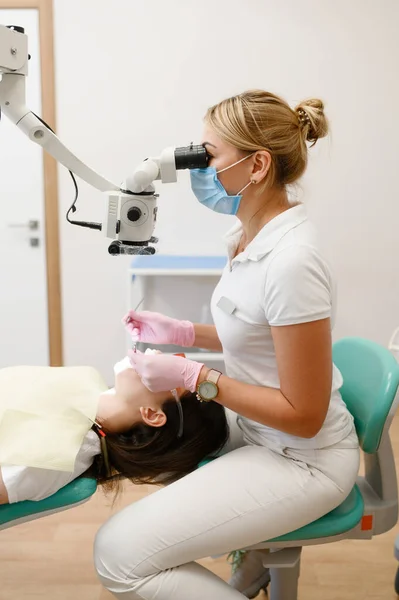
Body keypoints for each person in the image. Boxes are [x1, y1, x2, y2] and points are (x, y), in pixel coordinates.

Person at [93, 89, 360, 600]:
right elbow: (260, 335)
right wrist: (185, 334)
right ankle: (253, 565)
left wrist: (198, 378)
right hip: (261, 431)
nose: (199, 168)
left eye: (208, 155)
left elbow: (304, 415)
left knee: (118, 555)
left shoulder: (292, 262)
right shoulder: (244, 239)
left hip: (304, 456)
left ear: (257, 165)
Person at [0, 355, 229, 505]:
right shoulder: (88, 380)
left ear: (151, 414)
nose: (160, 359)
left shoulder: (64, 453)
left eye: (177, 376)